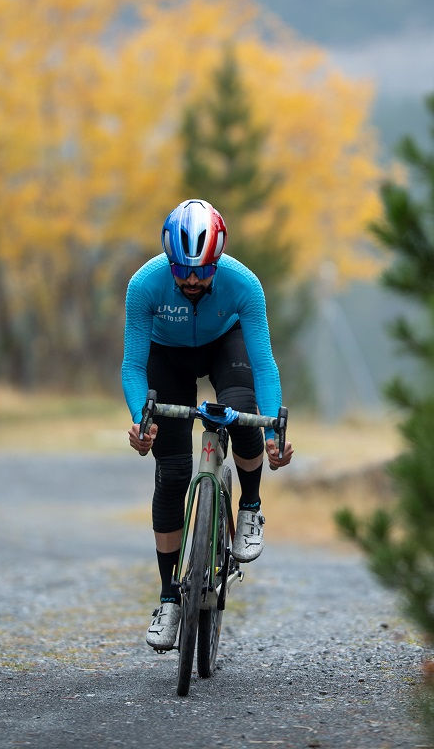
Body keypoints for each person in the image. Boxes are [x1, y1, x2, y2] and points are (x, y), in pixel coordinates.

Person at [121, 198, 294, 651]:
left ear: (218, 260)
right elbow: (133, 366)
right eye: (182, 270)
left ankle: (250, 507)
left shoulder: (243, 285)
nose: (193, 280)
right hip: (167, 358)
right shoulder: (144, 285)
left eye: (202, 270)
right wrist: (142, 420)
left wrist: (274, 434)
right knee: (173, 473)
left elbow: (265, 364)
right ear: (169, 261)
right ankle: (168, 600)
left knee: (240, 408)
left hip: (225, 344)